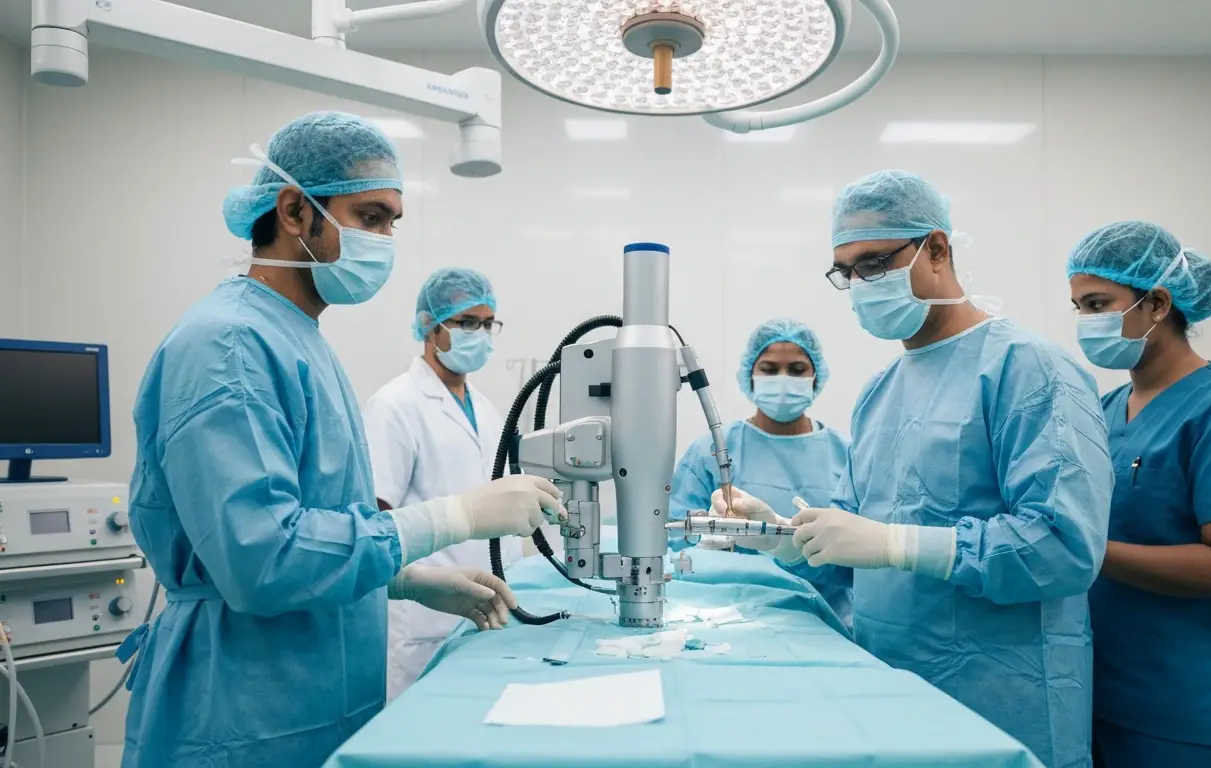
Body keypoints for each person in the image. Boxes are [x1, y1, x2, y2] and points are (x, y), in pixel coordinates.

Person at [120, 112, 565, 768]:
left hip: (314, 694)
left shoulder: (298, 339)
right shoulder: (228, 347)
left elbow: (317, 525)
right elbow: (260, 560)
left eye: (391, 223)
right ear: (294, 211)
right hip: (244, 707)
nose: (384, 240)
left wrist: (404, 581)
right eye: (370, 217)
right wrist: (456, 517)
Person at [716, 170, 1113, 768]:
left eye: (874, 263)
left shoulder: (1029, 369)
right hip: (890, 692)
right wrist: (782, 536)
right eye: (846, 272)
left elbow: (1063, 547)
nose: (859, 285)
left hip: (1004, 701)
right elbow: (853, 531)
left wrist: (896, 544)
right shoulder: (880, 390)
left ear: (938, 249)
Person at [1067, 221, 1211, 767]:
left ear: (1158, 304)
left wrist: (1084, 552)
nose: (1086, 322)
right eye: (1078, 308)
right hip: (1105, 692)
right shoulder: (1104, 409)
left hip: (1188, 706)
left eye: (1098, 305)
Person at [366, 267, 523, 701]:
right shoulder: (394, 406)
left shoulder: (486, 408)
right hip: (425, 622)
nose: (480, 334)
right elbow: (375, 520)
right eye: (467, 322)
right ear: (429, 326)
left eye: (488, 324)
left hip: (489, 612)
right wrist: (415, 581)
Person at [669, 319, 852, 626]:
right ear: (750, 376)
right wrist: (703, 541)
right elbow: (675, 539)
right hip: (727, 616)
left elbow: (853, 553)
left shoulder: (845, 455)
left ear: (815, 376)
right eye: (769, 369)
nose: (783, 379)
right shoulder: (712, 451)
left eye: (797, 370)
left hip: (824, 621)